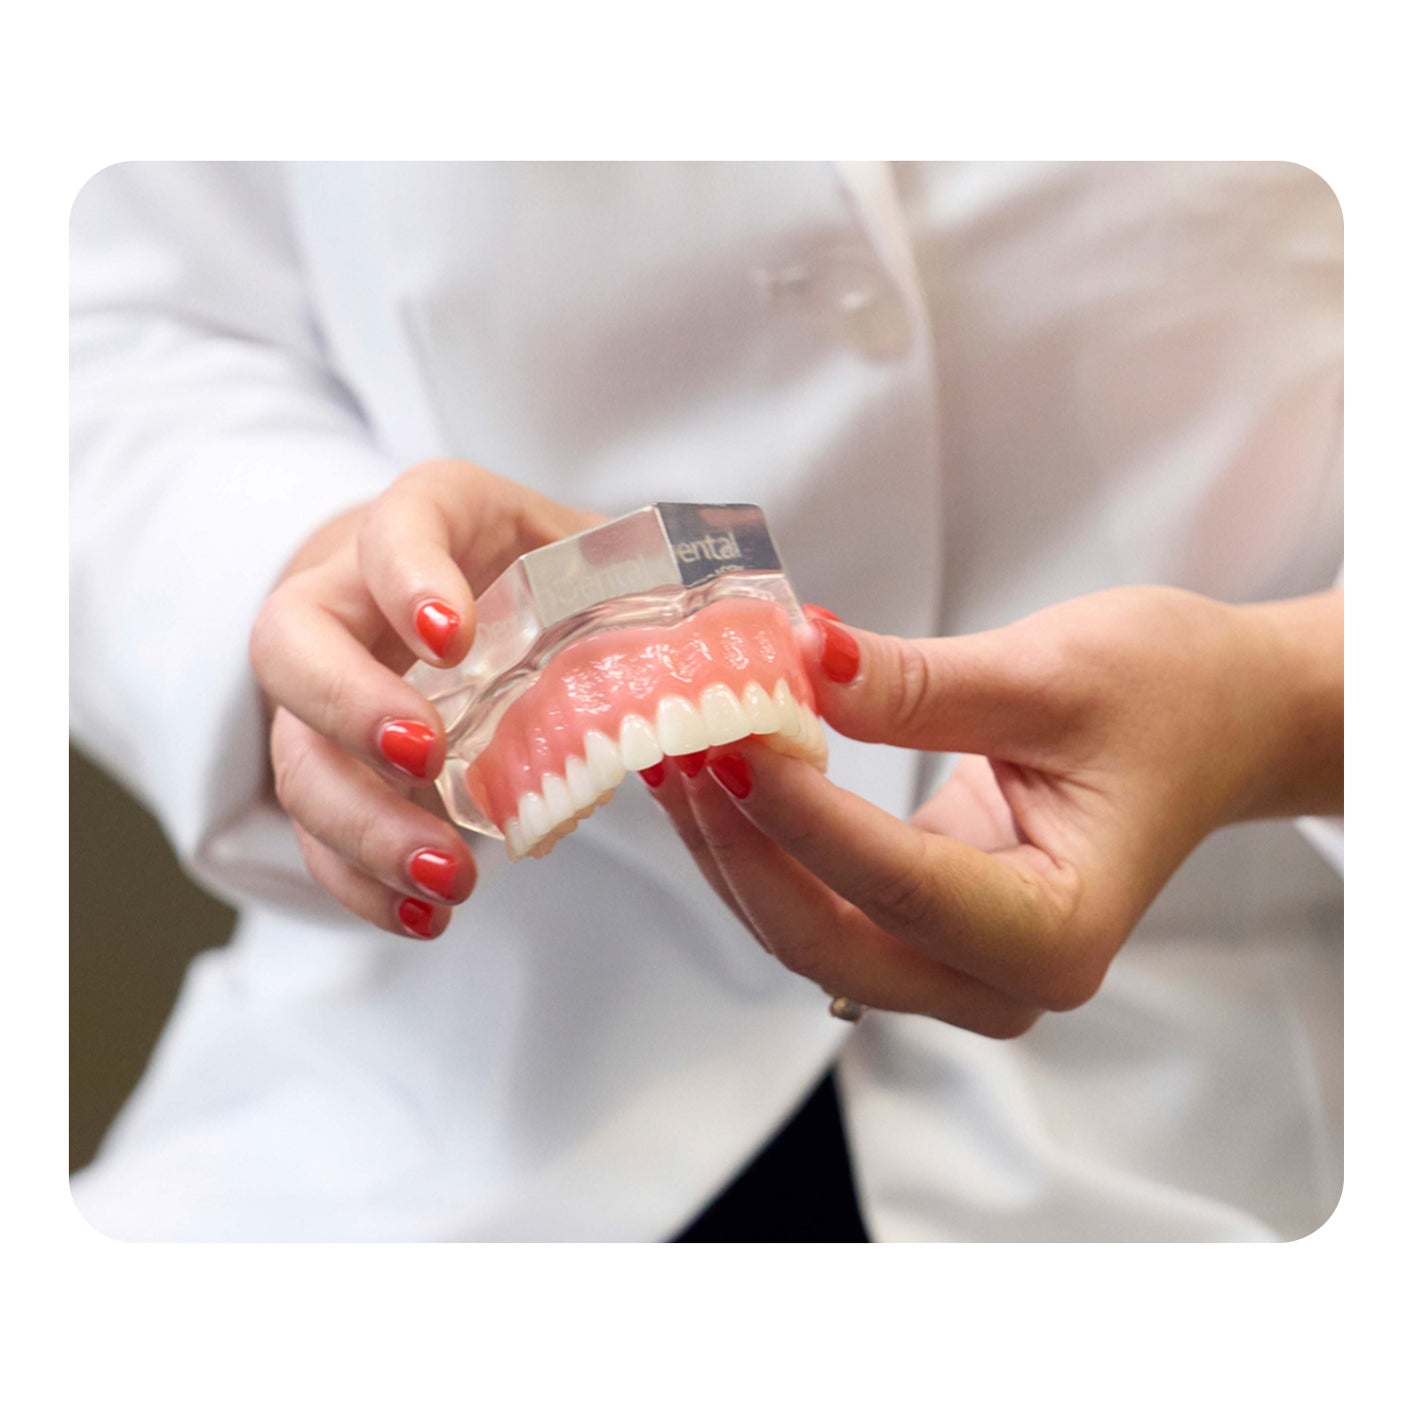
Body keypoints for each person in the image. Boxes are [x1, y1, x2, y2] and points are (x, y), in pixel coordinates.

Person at [69, 161, 1342, 1241]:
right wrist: (327, 577)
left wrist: (1290, 703)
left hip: (1227, 1107)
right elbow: (102, 323)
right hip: (416, 1100)